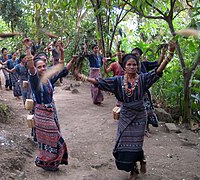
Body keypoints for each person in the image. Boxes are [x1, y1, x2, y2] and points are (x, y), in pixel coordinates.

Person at [74, 40, 175, 179]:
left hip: (140, 115)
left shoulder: (143, 79)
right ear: (125, 66)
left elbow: (157, 71)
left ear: (138, 66)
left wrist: (169, 54)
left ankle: (135, 168)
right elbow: (101, 82)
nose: (132, 67)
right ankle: (137, 163)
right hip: (126, 114)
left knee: (135, 144)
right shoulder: (118, 81)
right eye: (129, 64)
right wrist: (85, 78)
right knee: (122, 143)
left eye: (134, 64)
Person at [23, 37, 76, 171]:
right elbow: (30, 67)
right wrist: (28, 49)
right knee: (53, 139)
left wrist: (62, 52)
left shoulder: (49, 79)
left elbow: (61, 67)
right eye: (39, 67)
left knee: (52, 140)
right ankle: (45, 161)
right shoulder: (35, 81)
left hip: (50, 112)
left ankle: (50, 163)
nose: (42, 68)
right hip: (41, 114)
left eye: (44, 66)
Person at [131, 46, 167, 135]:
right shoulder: (130, 66)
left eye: (136, 54)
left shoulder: (144, 65)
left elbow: (158, 63)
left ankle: (145, 128)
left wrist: (163, 53)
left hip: (145, 93)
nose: (134, 56)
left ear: (140, 55)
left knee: (146, 110)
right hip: (135, 93)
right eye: (133, 54)